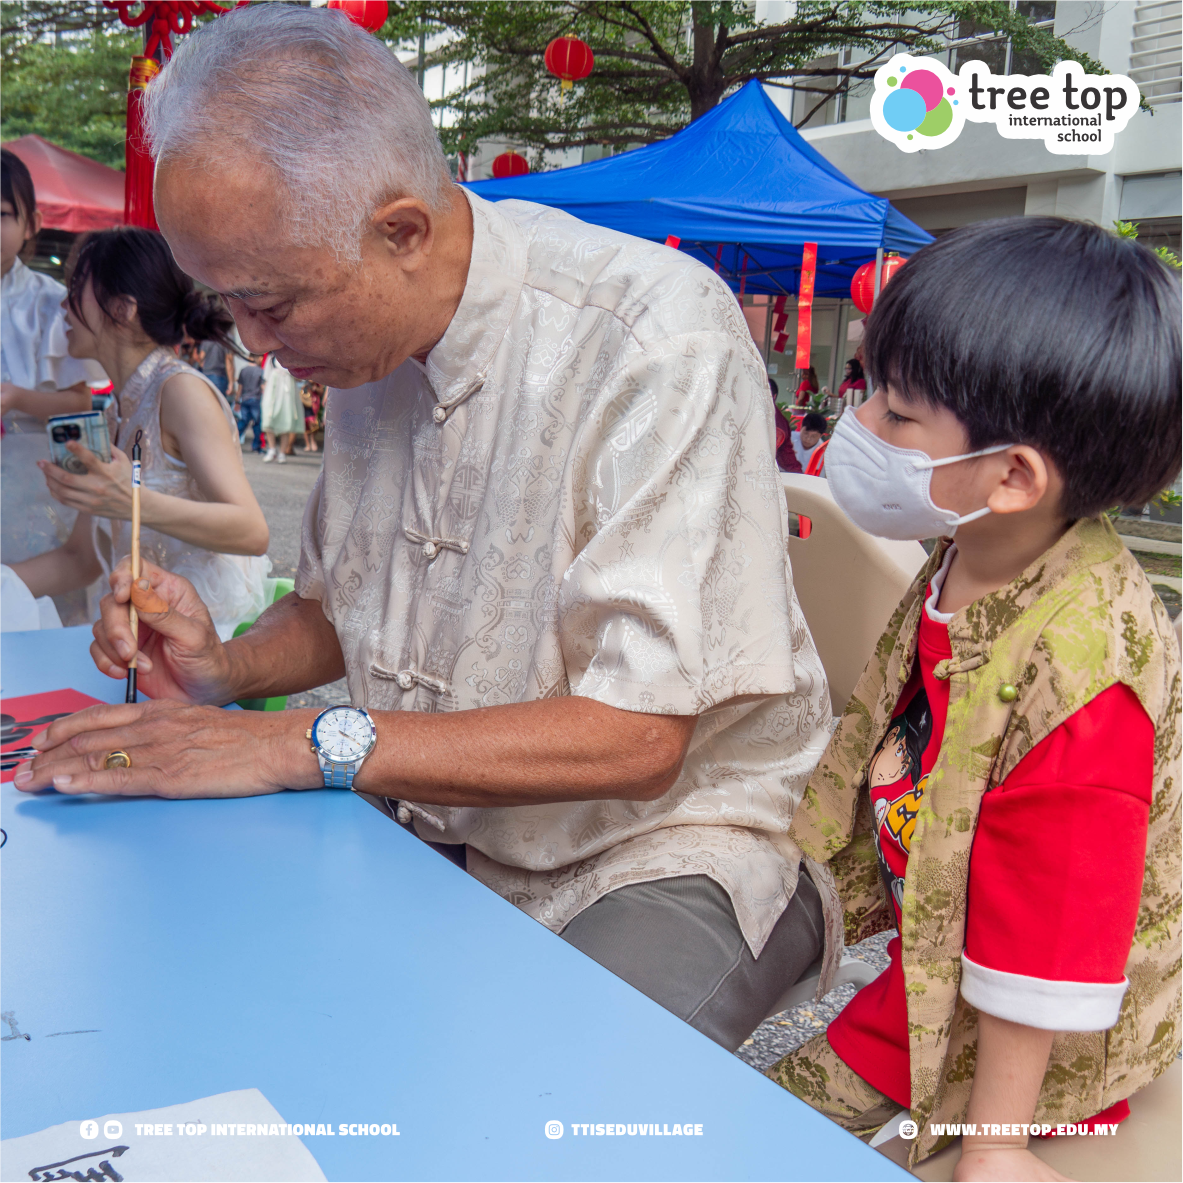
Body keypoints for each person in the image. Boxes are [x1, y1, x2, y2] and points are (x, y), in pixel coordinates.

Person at [15, 4, 833, 1054]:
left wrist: (294, 741)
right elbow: (338, 611)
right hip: (427, 810)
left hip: (657, 845)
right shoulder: (362, 340)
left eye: (273, 305)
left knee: (554, 1088)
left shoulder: (653, 338)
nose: (256, 348)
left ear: (401, 231)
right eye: (230, 305)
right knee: (202, 994)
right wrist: (223, 666)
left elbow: (638, 736)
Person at [764, 218, 1183, 1179]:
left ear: (1013, 475)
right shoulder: (977, 549)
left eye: (896, 415)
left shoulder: (1084, 670)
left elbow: (1052, 925)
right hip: (935, 953)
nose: (858, 427)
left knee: (775, 1136)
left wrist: (995, 1140)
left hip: (1029, 1044)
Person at [8, 226, 271, 639]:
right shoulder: (117, 411)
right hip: (144, 634)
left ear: (122, 308)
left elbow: (251, 530)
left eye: (75, 289)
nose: (63, 304)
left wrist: (130, 502)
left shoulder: (180, 391)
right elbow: (80, 559)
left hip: (203, 633)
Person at [0, 148, 105, 574]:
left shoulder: (51, 304)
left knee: (27, 592)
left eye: (1, 215)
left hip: (32, 481)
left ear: (32, 224)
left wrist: (16, 398)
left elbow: (80, 402)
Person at [260, 351, 300, 463]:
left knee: (286, 421)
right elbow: (266, 376)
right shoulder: (271, 358)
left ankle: (282, 453)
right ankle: (271, 449)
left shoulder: (292, 357)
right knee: (268, 419)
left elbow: (299, 377)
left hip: (287, 393)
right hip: (272, 391)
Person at [235, 352, 265, 452]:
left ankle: (233, 441)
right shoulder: (260, 371)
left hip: (244, 399)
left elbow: (240, 387)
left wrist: (237, 401)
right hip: (256, 400)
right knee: (257, 424)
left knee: (243, 422)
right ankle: (256, 446)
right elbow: (262, 387)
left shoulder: (243, 370)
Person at [769, 376, 800, 472]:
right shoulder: (780, 422)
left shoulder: (779, 423)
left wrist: (799, 476)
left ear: (774, 397)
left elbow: (786, 456)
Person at [198, 335, 234, 399]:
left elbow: (201, 357)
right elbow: (228, 361)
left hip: (205, 375)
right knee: (218, 403)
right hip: (219, 376)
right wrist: (231, 383)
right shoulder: (226, 336)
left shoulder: (207, 336)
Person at [300, 380, 323, 452]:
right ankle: (307, 444)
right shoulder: (303, 380)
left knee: (313, 422)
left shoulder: (316, 381)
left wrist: (315, 388)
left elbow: (321, 392)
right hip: (304, 402)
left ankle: (312, 441)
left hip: (313, 404)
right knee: (304, 423)